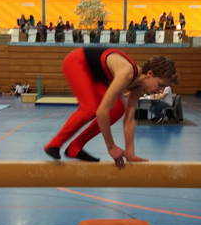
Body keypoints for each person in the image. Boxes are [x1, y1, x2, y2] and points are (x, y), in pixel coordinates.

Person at [43, 47, 177, 168]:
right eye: (160, 85)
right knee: (90, 108)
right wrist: (111, 147)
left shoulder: (138, 86)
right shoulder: (127, 73)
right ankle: (54, 144)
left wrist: (130, 152)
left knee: (118, 109)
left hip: (95, 75)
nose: (160, 90)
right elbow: (102, 112)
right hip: (77, 61)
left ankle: (75, 147)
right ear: (150, 74)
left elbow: (129, 119)